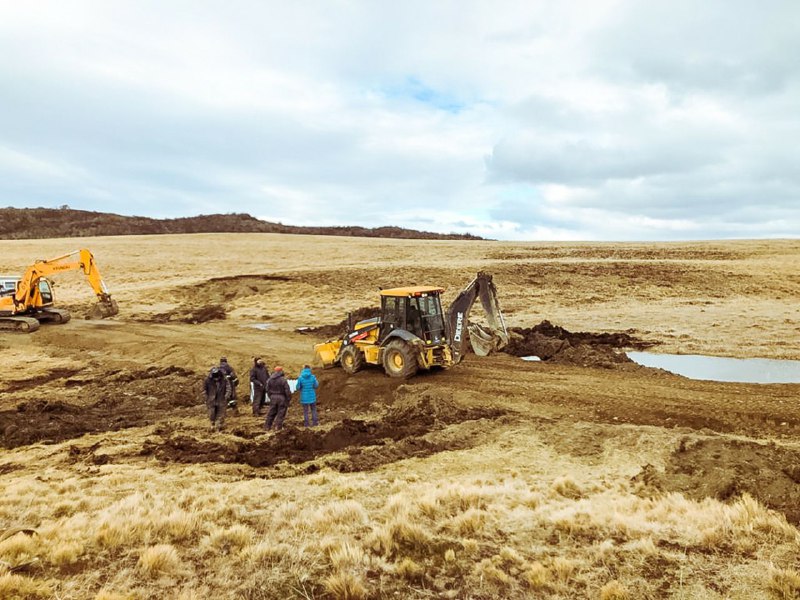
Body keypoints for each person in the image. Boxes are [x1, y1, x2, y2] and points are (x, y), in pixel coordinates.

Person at [264, 366, 292, 431]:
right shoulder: (283, 380)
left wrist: (270, 396)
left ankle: (267, 427)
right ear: (281, 371)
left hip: (273, 398)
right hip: (282, 398)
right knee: (281, 413)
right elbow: (287, 390)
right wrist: (288, 399)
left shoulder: (270, 380)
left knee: (271, 413)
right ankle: (277, 427)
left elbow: (267, 389)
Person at [204, 366, 229, 432]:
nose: (216, 379)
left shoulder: (224, 380)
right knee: (212, 413)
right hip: (211, 399)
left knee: (221, 413)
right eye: (215, 378)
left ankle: (218, 426)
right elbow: (204, 390)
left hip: (221, 399)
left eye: (217, 378)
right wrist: (206, 398)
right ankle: (212, 423)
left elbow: (228, 388)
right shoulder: (207, 380)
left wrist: (226, 396)